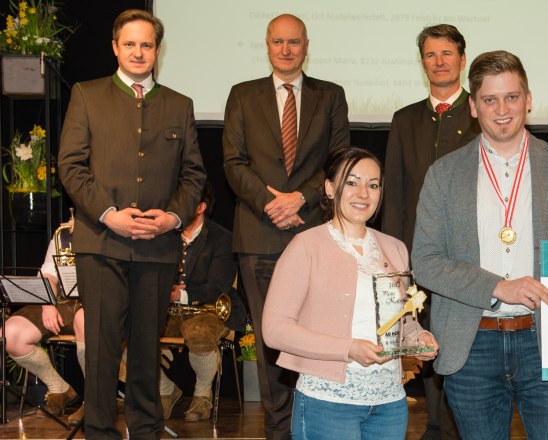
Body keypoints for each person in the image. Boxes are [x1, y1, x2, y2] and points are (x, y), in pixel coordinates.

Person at [412, 50, 548, 440]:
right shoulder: (443, 174)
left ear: (529, 99)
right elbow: (425, 261)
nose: (502, 109)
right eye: (490, 100)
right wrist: (496, 286)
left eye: (511, 97)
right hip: (471, 347)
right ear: (473, 106)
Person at [58, 9, 206, 439]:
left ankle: (146, 431)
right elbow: (71, 166)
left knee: (146, 350)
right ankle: (100, 432)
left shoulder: (179, 105)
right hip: (102, 243)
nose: (138, 52)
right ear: (114, 48)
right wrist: (110, 215)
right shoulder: (87, 94)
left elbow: (194, 174)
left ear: (157, 50)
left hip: (157, 248)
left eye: (146, 45)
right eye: (130, 44)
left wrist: (172, 218)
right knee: (101, 351)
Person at [222, 13, 349, 440]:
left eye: (294, 42)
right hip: (259, 235)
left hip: (316, 233)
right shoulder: (242, 95)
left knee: (317, 336)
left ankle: (315, 426)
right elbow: (233, 163)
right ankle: (280, 431)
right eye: (278, 42)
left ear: (306, 44)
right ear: (267, 44)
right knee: (271, 338)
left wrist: (303, 198)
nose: (287, 49)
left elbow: (340, 159)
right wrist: (270, 202)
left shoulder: (330, 95)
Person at [263, 146, 438, 439]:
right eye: (352, 182)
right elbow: (275, 330)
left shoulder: (395, 248)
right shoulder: (305, 247)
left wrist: (417, 337)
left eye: (373, 185)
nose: (363, 194)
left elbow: (401, 318)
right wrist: (348, 348)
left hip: (389, 403)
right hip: (327, 402)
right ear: (330, 188)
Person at [382, 23, 479, 440]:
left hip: (469, 253)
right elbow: (396, 188)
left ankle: (463, 425)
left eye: (447, 53)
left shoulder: (481, 111)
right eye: (430, 55)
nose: (439, 62)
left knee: (463, 341)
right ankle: (436, 427)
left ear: (461, 58)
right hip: (417, 252)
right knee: (426, 340)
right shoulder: (405, 119)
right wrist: (391, 256)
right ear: (422, 63)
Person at [158, 182, 237, 422]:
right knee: (128, 332)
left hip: (208, 309)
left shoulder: (222, 238)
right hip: (167, 310)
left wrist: (181, 295)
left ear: (201, 206)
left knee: (200, 330)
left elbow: (219, 285)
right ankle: (165, 390)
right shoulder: (164, 236)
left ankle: (202, 393)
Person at [5, 220, 85, 423]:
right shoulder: (64, 234)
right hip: (63, 300)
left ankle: (95, 401)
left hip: (99, 299)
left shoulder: (114, 228)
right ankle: (59, 388)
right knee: (10, 334)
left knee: (83, 321)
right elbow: (48, 273)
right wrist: (48, 303)